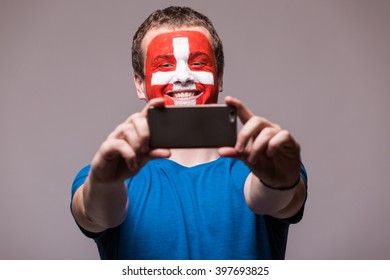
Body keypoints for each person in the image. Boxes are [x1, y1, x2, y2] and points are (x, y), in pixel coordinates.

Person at [71, 6, 308, 260]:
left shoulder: (269, 163)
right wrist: (104, 183)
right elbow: (97, 212)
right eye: (164, 65)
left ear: (219, 77)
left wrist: (279, 183)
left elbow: (271, 199)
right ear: (140, 84)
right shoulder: (106, 173)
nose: (183, 77)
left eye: (197, 63)